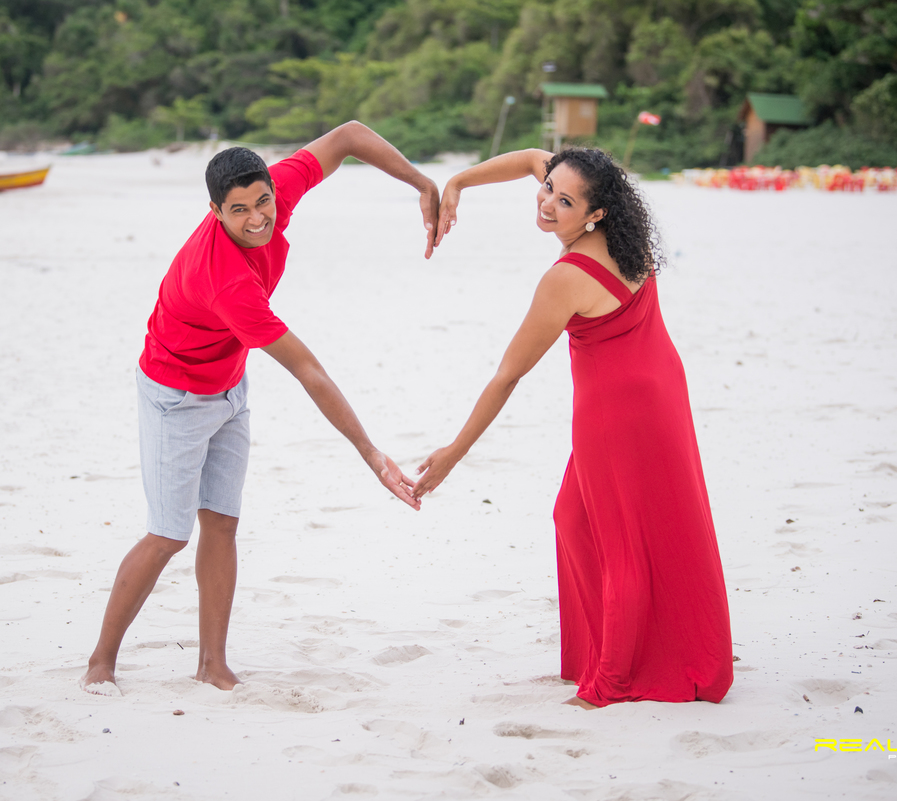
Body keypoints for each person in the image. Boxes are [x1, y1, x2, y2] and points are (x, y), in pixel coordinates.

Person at [81, 122, 438, 695]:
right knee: (168, 534)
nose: (257, 219)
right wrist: (370, 453)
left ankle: (212, 664)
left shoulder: (276, 191)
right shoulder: (225, 281)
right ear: (215, 211)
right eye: (239, 210)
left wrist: (421, 183)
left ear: (273, 188)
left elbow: (348, 137)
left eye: (262, 201)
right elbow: (309, 371)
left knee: (222, 522)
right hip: (176, 396)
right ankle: (101, 660)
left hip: (229, 385)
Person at [415, 147, 733, 708]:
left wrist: (455, 452)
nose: (547, 203)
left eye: (564, 201)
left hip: (616, 411)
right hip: (660, 388)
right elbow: (530, 159)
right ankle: (600, 653)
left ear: (595, 213)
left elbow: (508, 375)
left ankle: (610, 682)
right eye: (548, 189)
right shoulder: (621, 230)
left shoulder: (565, 278)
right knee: (575, 517)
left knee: (617, 541)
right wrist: (459, 182)